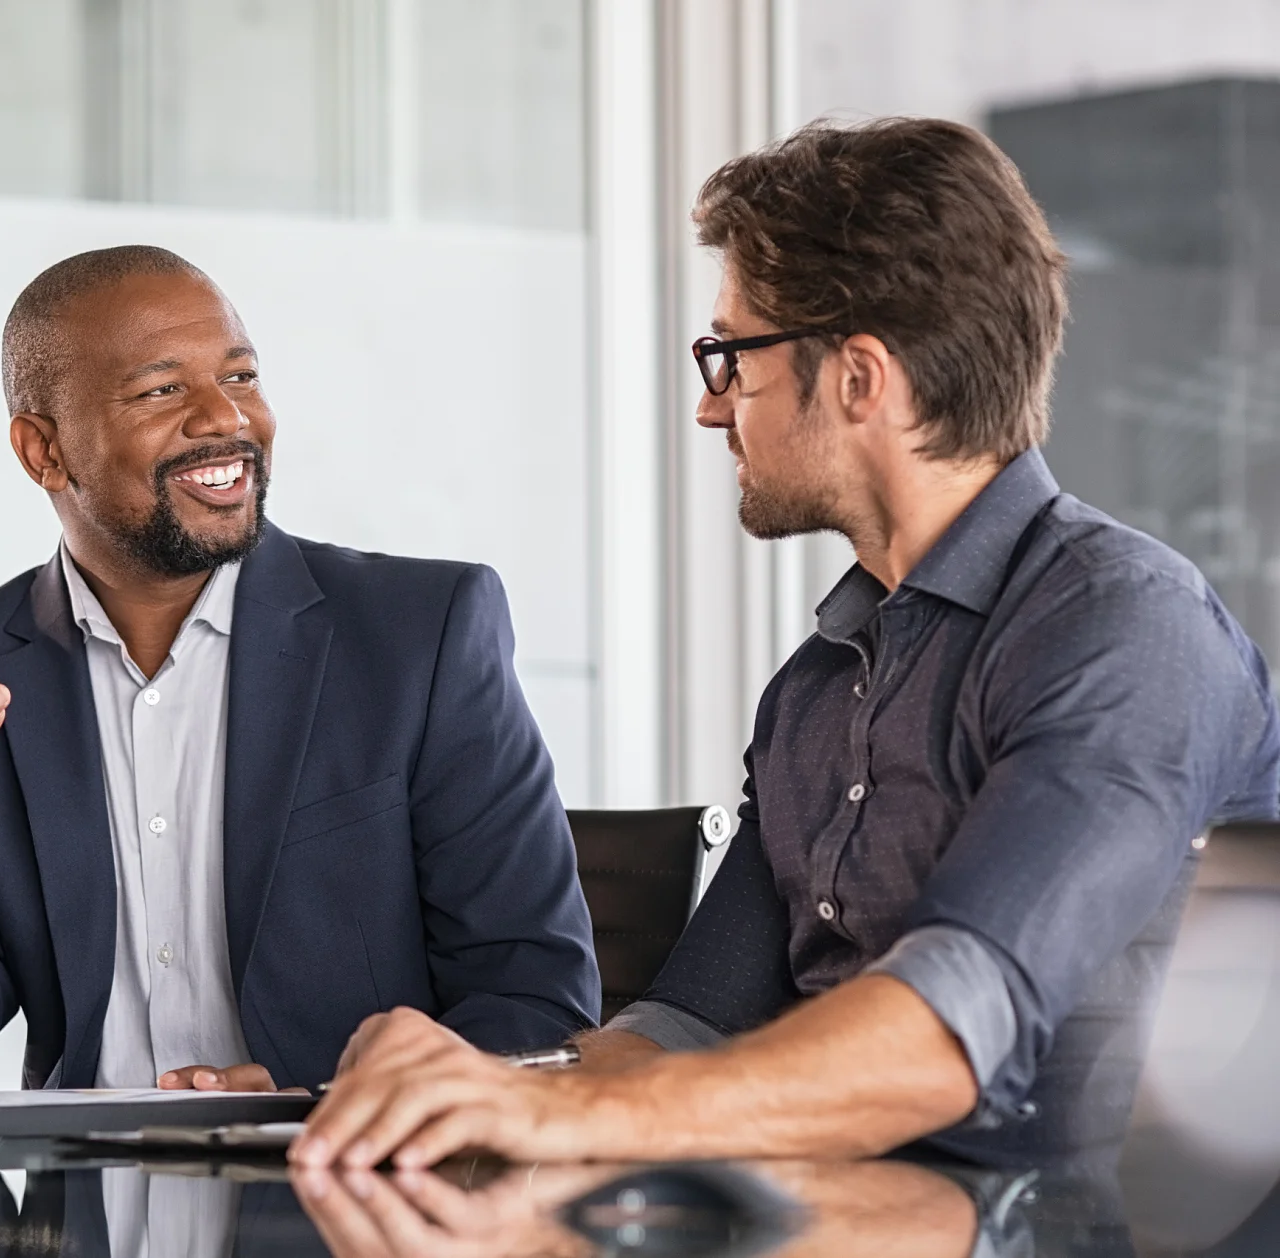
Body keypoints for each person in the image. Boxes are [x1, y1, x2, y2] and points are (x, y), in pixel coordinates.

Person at [293, 117, 1280, 1169]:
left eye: (732, 356)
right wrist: (467, 1087)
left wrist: (558, 1119)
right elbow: (679, 1030)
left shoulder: (1122, 628)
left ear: (859, 377)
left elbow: (948, 1029)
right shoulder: (816, 689)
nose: (710, 407)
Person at [0, 246, 599, 1093]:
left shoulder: (420, 637)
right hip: (85, 1211)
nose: (224, 419)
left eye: (240, 376)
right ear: (43, 451)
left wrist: (326, 1103)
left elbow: (534, 1002)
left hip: (343, 1195)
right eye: (162, 390)